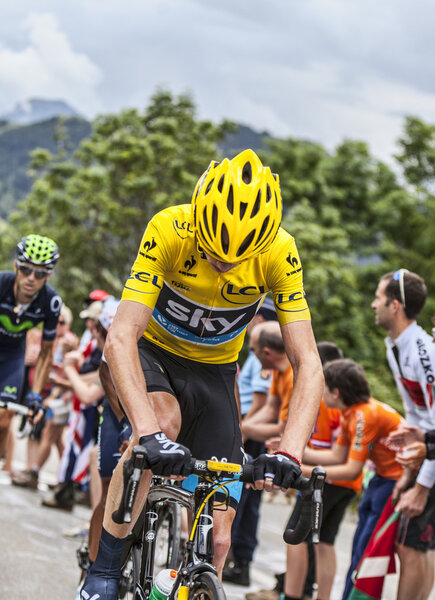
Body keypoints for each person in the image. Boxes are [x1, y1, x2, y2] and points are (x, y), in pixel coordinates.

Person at [80, 149, 324, 600]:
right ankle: (104, 572)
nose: (225, 264)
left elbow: (308, 362)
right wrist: (149, 435)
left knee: (219, 538)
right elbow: (120, 338)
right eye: (214, 255)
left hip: (214, 373)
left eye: (237, 259)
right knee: (163, 427)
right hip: (152, 354)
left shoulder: (280, 251)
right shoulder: (169, 227)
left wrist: (290, 453)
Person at [300, 358, 403, 600]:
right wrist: (292, 452)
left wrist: (303, 470)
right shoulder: (351, 413)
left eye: (324, 387)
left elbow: (351, 471)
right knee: (359, 546)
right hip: (381, 479)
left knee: (366, 549)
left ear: (336, 392)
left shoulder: (363, 416)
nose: (322, 392)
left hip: (394, 482)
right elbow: (337, 455)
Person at [372, 269, 435, 600]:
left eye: (379, 299)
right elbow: (415, 414)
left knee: (410, 545)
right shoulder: (395, 346)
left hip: (433, 460)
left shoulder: (424, 351)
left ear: (394, 306)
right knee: (419, 545)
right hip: (426, 455)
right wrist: (408, 474)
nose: (373, 305)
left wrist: (421, 489)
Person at [223, 297, 277, 587]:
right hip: (248, 425)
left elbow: (261, 403)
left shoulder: (262, 355)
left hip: (249, 428)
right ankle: (239, 560)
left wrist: (240, 430)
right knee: (246, 499)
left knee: (241, 498)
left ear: (260, 320)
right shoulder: (259, 354)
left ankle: (238, 559)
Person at [0, 234, 61, 466]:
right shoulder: (2, 284)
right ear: (16, 265)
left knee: (4, 420)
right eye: (26, 270)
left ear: (49, 275)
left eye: (40, 273)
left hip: (13, 356)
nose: (31, 278)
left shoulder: (51, 301)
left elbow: (46, 353)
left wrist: (35, 395)